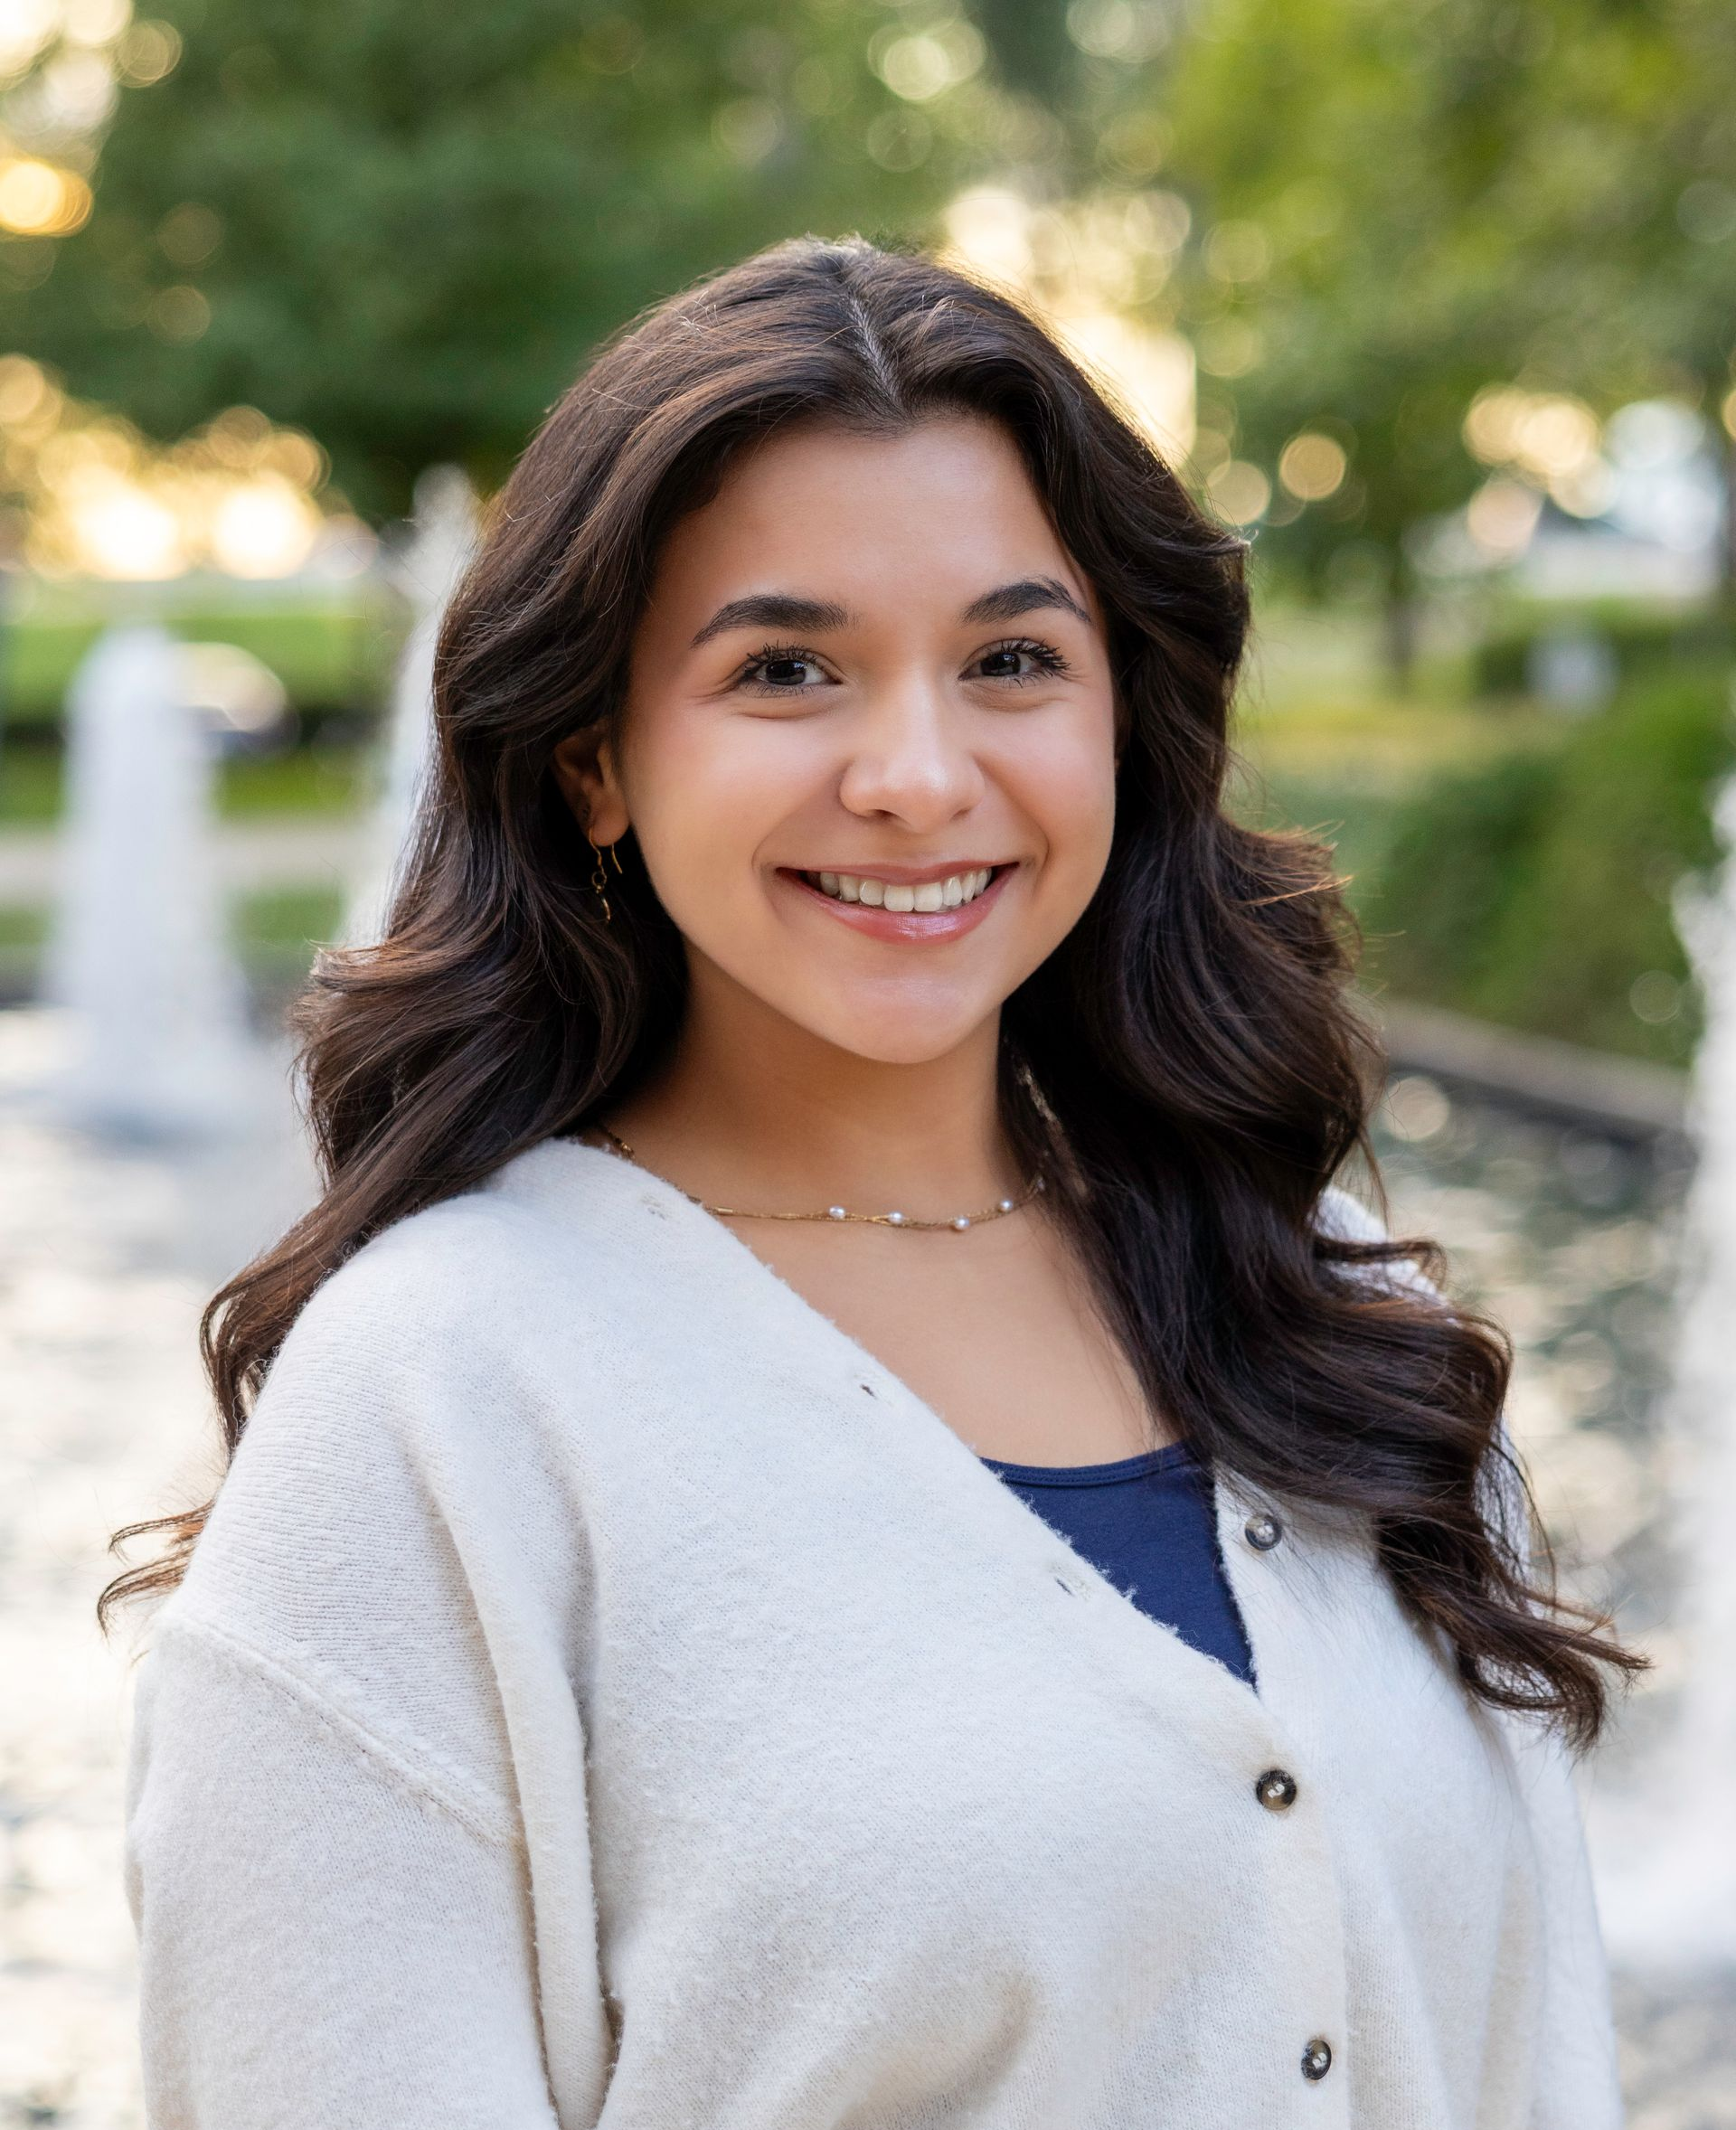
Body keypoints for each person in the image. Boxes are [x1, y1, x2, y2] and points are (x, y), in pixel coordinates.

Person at [109, 236, 1637, 2128]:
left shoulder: (1327, 1304)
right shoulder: (439, 1402)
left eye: (1011, 659)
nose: (917, 773)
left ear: (1117, 715)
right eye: (788, 668)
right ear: (595, 756)